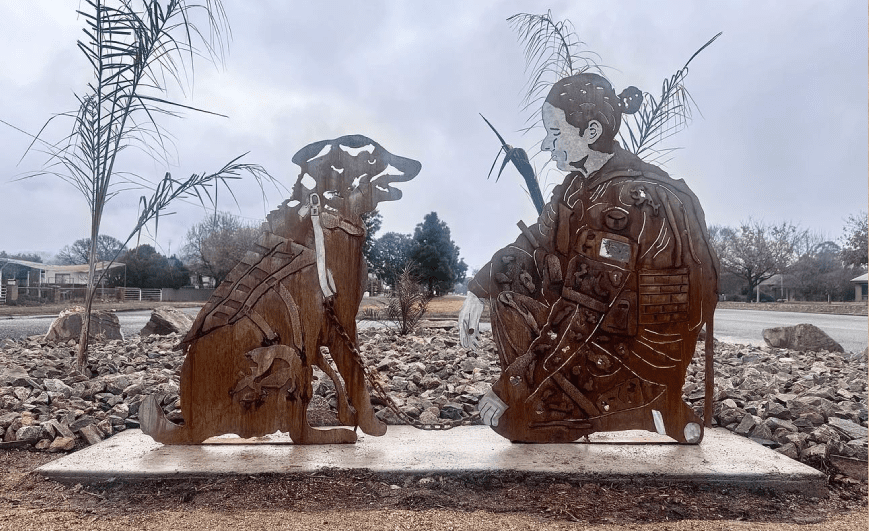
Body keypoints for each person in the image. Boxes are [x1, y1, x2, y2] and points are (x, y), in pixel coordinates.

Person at [459, 73, 719, 443]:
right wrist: (478, 289)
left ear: (591, 131)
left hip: (634, 362)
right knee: (507, 280)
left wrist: (511, 385)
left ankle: (646, 407)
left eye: (555, 132)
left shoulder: (623, 202)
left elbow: (581, 314)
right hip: (599, 338)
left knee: (513, 421)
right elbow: (535, 242)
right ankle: (562, 400)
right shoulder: (577, 188)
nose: (546, 144)